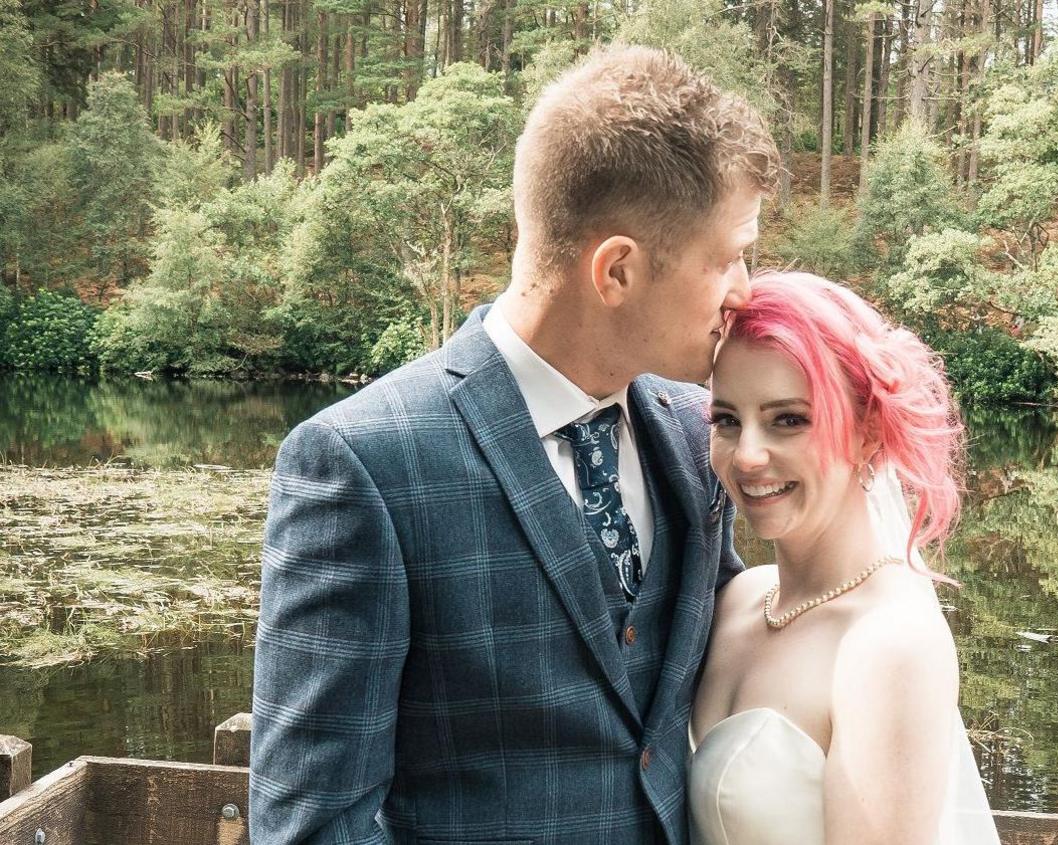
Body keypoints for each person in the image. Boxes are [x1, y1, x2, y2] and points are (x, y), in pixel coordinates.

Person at [249, 46, 780, 844]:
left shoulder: (695, 427)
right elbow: (315, 826)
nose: (745, 290)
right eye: (727, 258)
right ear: (618, 271)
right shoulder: (361, 464)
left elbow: (742, 654)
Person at [690, 271, 1000, 844]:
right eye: (727, 420)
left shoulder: (890, 643)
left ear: (870, 433)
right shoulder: (735, 599)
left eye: (789, 419)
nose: (748, 455)